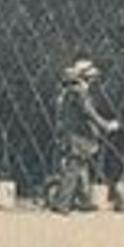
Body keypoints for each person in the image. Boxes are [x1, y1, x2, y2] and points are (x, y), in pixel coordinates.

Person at [51, 59, 119, 213]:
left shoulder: (70, 91)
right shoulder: (78, 92)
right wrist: (106, 125)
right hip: (77, 135)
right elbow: (89, 113)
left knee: (81, 167)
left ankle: (83, 200)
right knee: (74, 167)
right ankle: (62, 203)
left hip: (75, 134)